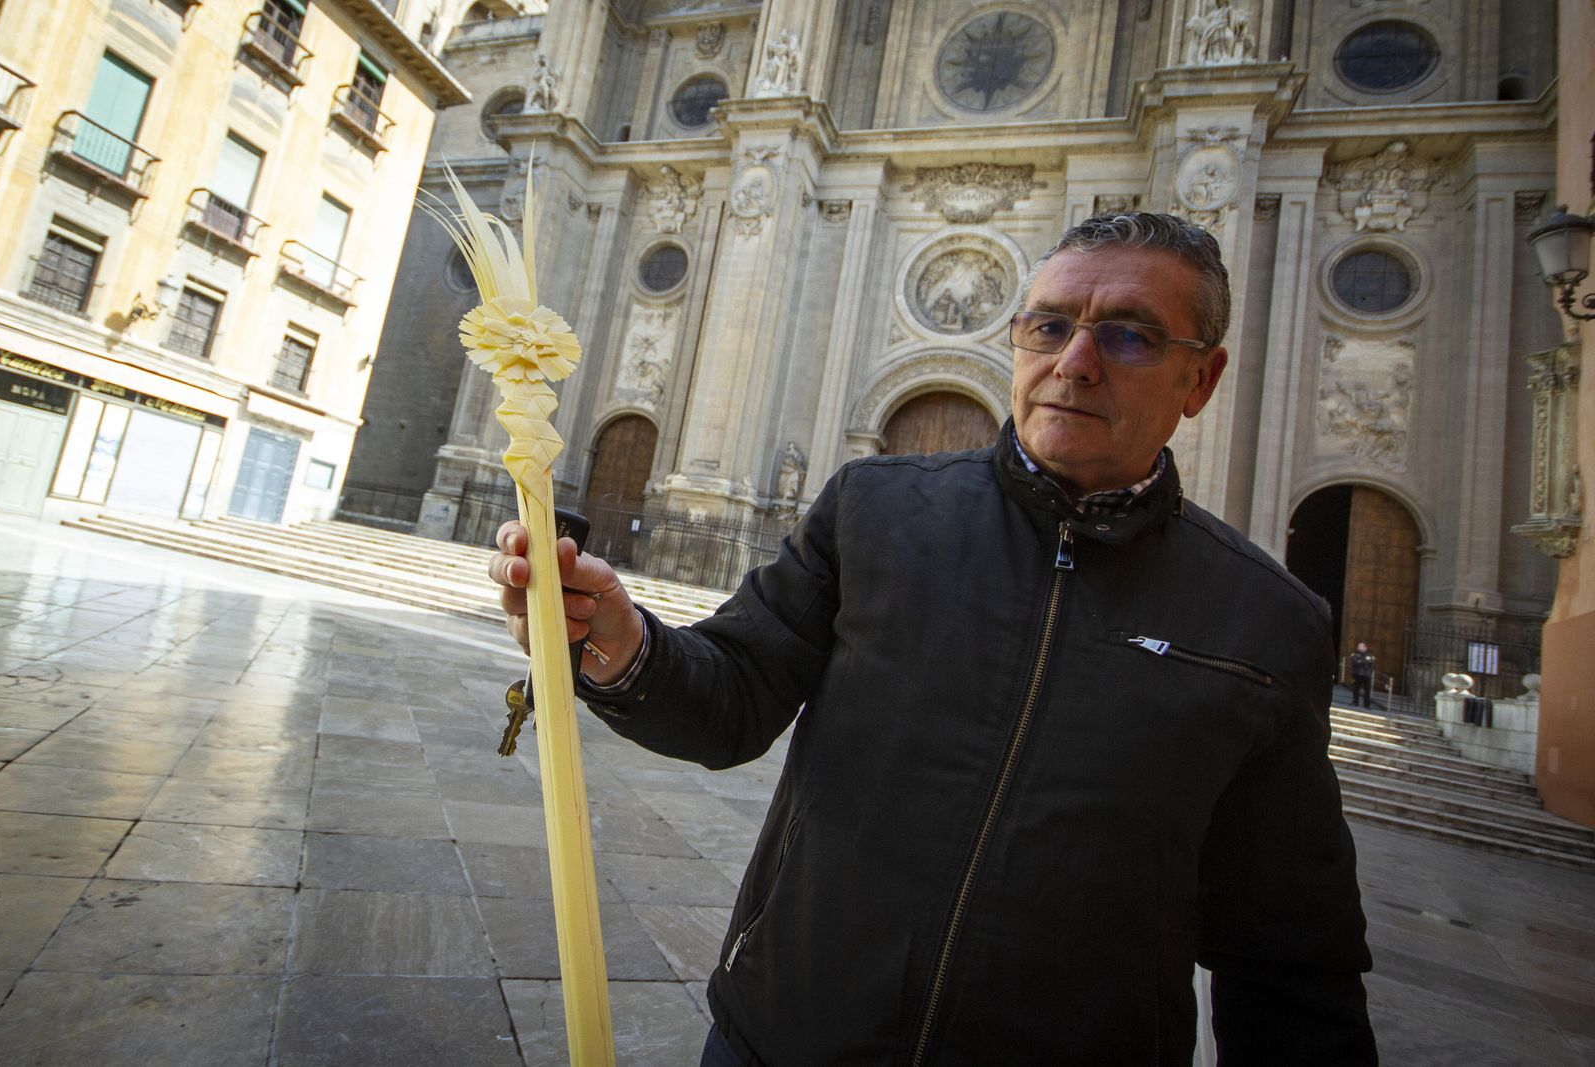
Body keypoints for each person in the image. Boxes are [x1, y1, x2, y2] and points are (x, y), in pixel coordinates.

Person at [489, 212, 1377, 1065]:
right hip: (786, 1036)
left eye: (1131, 335)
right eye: (1049, 325)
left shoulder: (1266, 623)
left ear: (1202, 380)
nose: (1074, 362)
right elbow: (733, 694)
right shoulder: (872, 508)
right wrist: (616, 639)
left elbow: (1290, 956)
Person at [1350, 642, 1377, 708]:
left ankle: (1367, 704)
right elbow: (1355, 662)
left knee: (1367, 690)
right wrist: (1364, 663)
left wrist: (1361, 662)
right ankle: (1355, 702)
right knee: (1355, 689)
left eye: (1361, 646)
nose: (1359, 647)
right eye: (1358, 646)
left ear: (1365, 647)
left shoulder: (1369, 656)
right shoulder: (1355, 655)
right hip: (1357, 674)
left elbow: (1371, 663)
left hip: (1366, 675)